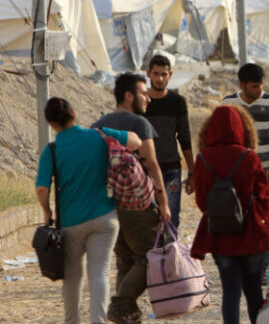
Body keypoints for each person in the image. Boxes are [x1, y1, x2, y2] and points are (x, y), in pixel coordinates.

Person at [35, 98, 140, 324]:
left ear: (52, 124)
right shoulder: (99, 135)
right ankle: (98, 321)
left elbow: (42, 188)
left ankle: (72, 321)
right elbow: (135, 141)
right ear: (74, 112)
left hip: (71, 223)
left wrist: (46, 211)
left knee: (73, 277)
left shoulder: (52, 150)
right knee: (99, 273)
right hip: (105, 218)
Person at [92, 73, 171, 323]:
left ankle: (127, 314)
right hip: (137, 204)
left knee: (125, 260)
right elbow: (152, 164)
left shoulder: (99, 124)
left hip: (108, 204)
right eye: (143, 93)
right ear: (129, 96)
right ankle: (122, 304)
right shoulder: (139, 123)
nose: (148, 97)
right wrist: (164, 204)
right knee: (152, 255)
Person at [191, 106, 269, 324]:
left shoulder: (203, 159)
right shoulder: (249, 157)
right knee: (254, 291)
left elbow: (201, 200)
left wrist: (220, 215)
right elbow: (264, 197)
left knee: (230, 291)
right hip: (252, 236)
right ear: (243, 127)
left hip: (220, 236)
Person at [222, 63, 269, 220]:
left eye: (260, 86)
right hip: (238, 171)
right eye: (254, 87)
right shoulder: (228, 104)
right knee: (240, 217)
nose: (259, 90)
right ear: (242, 86)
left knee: (266, 217)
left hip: (266, 171)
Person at [144, 54, 193, 229]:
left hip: (171, 169)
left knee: (171, 219)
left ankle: (171, 254)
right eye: (156, 74)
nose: (160, 78)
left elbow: (185, 138)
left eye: (164, 74)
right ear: (148, 74)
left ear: (170, 75)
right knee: (149, 220)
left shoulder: (177, 102)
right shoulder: (141, 102)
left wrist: (192, 173)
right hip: (145, 170)